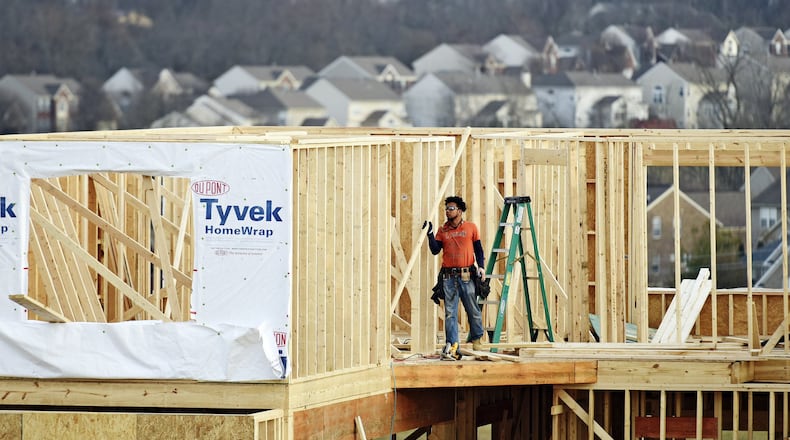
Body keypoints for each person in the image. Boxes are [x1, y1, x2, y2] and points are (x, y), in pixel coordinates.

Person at [424, 196, 486, 359]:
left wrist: (481, 267)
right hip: (449, 277)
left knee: (472, 308)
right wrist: (430, 234)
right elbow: (435, 250)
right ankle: (453, 345)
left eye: (451, 208)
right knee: (450, 312)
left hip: (466, 275)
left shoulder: (471, 228)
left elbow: (478, 249)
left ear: (460, 211)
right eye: (446, 209)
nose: (447, 211)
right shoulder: (442, 230)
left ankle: (477, 338)